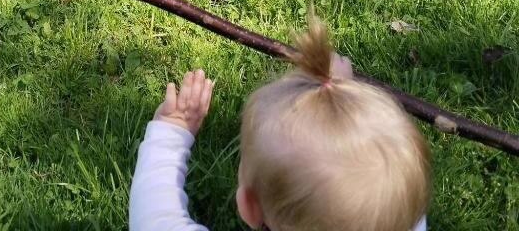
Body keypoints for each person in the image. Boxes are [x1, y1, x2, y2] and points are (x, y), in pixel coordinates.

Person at [129, 13, 431, 231]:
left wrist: (173, 129)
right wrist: (344, 100)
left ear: (249, 206)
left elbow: (155, 218)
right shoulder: (399, 216)